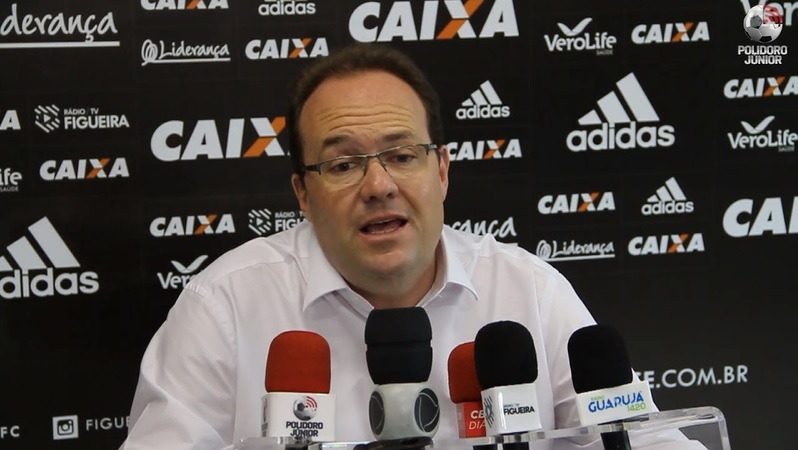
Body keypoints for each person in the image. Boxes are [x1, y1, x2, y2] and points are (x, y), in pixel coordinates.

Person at [121, 43, 671, 449]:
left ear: (442, 171)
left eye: (403, 156)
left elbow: (651, 440)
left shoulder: (529, 291)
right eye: (343, 164)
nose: (379, 186)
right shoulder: (226, 305)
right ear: (303, 194)